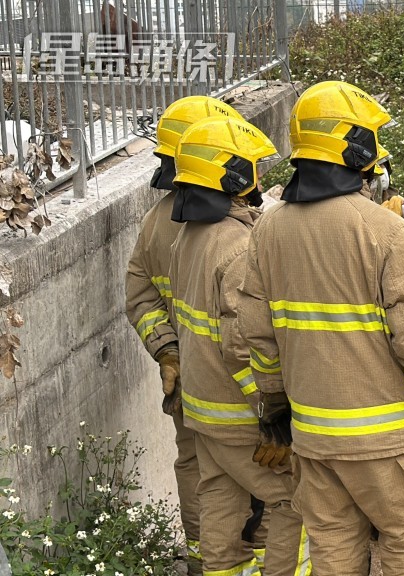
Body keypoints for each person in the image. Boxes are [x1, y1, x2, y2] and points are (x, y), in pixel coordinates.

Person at [238, 80, 404, 576]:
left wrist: (275, 405)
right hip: (389, 444)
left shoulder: (268, 229)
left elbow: (258, 334)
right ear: (354, 146)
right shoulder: (383, 231)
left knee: (333, 548)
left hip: (315, 438)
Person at [168, 116, 308, 576]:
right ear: (231, 176)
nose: (261, 179)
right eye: (253, 169)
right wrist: (273, 413)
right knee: (295, 501)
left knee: (221, 508)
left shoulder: (188, 238)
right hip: (242, 417)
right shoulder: (237, 250)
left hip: (203, 411)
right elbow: (241, 343)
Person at [124, 94, 245, 576]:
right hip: (240, 388)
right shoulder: (226, 226)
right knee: (262, 488)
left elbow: (139, 296)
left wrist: (168, 354)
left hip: (189, 384)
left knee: (200, 473)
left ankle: (204, 565)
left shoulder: (158, 221)